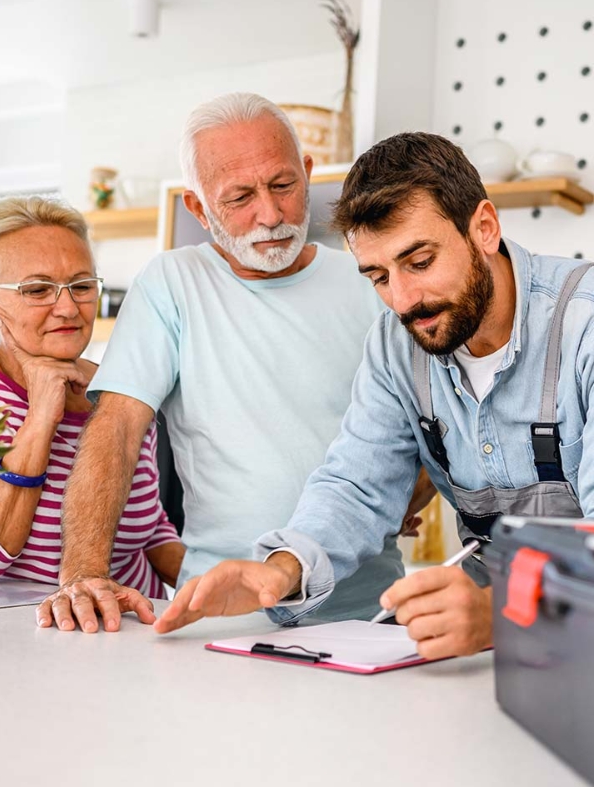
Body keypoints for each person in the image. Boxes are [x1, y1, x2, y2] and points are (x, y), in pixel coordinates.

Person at [154, 131, 594, 660]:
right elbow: (357, 484)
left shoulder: (583, 325)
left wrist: (501, 614)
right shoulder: (395, 343)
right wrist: (282, 571)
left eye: (420, 262)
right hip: (491, 642)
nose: (404, 300)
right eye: (379, 276)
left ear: (483, 228)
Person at [36, 92, 422, 634]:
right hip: (221, 614)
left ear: (308, 174)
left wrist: (405, 496)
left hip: (368, 610)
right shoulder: (171, 283)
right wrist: (81, 575)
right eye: (239, 197)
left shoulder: (373, 280)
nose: (270, 214)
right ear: (197, 208)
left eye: (284, 185)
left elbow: (429, 422)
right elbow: (116, 430)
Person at [0, 195, 184, 598]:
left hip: (134, 628)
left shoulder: (119, 388)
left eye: (82, 286)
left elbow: (151, 526)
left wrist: (222, 587)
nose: (69, 308)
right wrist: (40, 417)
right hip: (13, 638)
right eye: (38, 290)